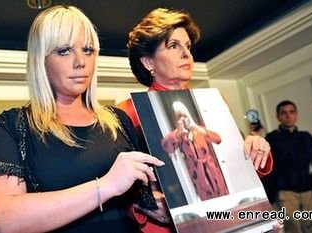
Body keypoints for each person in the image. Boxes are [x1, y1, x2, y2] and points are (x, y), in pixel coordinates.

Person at [0, 5, 165, 233]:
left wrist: (150, 204)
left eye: (87, 50)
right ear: (41, 60)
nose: (80, 62)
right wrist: (105, 186)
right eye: (64, 51)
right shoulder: (11, 127)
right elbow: (7, 220)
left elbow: (131, 200)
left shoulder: (118, 120)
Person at [117, 7, 274, 232]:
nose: (186, 54)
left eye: (187, 46)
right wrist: (141, 204)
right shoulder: (127, 113)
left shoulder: (213, 103)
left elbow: (238, 165)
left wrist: (257, 148)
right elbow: (114, 190)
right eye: (173, 46)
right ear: (148, 62)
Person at [263, 100, 312, 233]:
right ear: (278, 117)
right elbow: (267, 166)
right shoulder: (272, 138)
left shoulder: (306, 137)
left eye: (291, 112)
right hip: (285, 192)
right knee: (292, 229)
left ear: (296, 115)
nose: (288, 116)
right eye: (283, 113)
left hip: (307, 191)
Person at [161, 101, 228, 201]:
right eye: (179, 117)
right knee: (206, 198)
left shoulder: (198, 129)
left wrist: (199, 129)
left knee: (222, 192)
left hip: (211, 167)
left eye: (184, 115)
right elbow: (167, 147)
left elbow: (218, 139)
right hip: (197, 172)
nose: (183, 119)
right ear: (176, 119)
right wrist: (178, 133)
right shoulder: (178, 135)